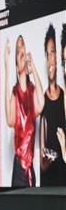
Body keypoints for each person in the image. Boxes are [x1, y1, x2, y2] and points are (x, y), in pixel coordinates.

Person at [4, 34, 44, 187]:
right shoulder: (15, 93)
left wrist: (32, 66)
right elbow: (9, 120)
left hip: (30, 169)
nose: (21, 49)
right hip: (18, 168)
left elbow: (41, 104)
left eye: (23, 46)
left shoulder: (32, 91)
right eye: (18, 48)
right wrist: (7, 67)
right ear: (16, 64)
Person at [40, 24, 66, 186]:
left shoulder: (64, 96)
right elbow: (42, 166)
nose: (51, 59)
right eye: (48, 53)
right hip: (49, 185)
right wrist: (47, 160)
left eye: (53, 53)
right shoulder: (42, 101)